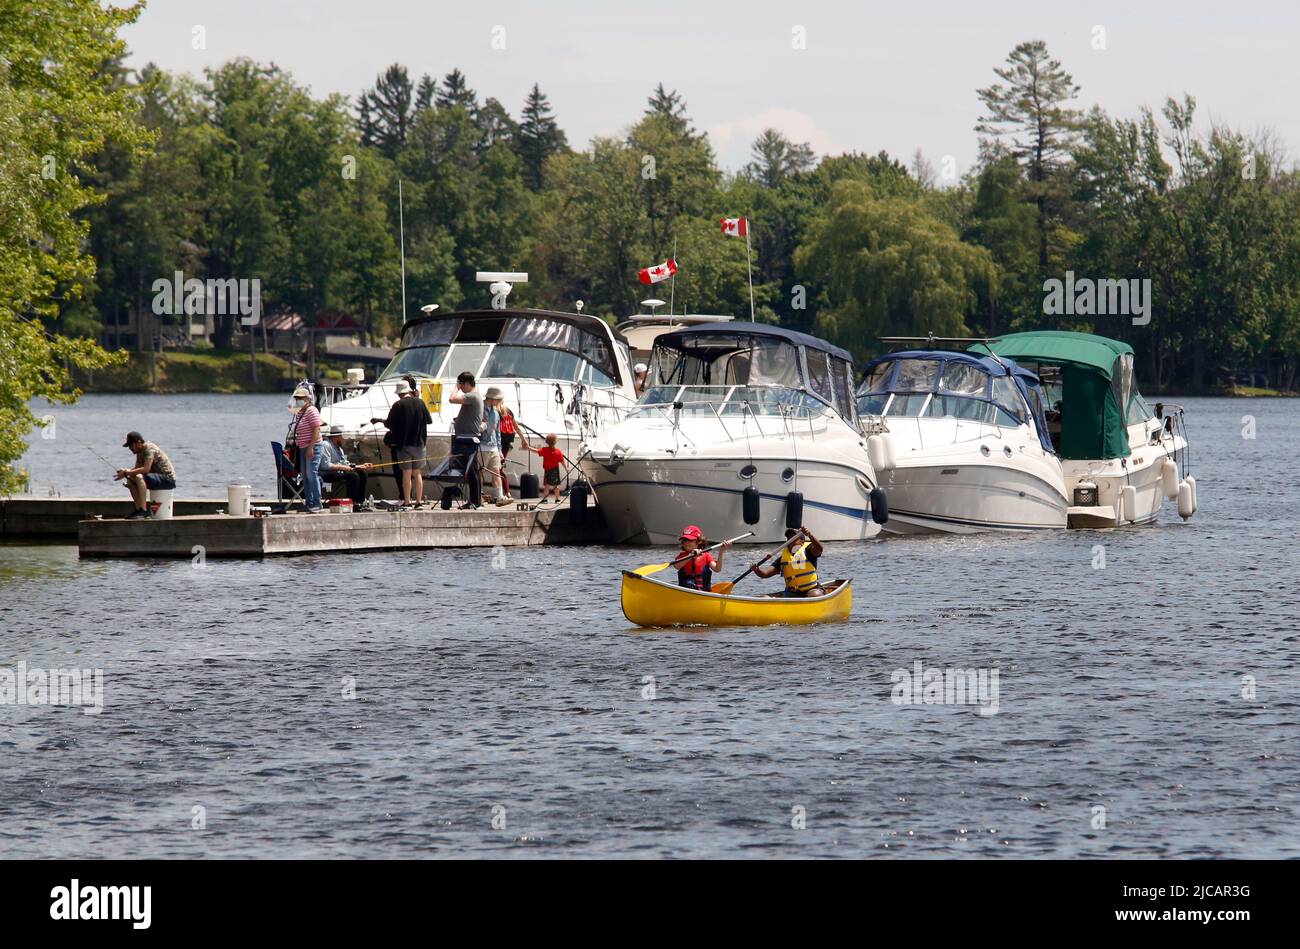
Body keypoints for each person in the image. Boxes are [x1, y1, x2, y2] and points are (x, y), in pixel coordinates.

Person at [371, 378, 432, 506]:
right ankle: (419, 501)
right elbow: (429, 420)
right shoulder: (420, 403)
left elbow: (389, 423)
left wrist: (381, 421)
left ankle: (407, 501)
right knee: (417, 473)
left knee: (406, 473)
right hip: (420, 443)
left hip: (404, 445)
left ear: (399, 393)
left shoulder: (398, 405)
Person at [114, 431, 177, 519]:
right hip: (156, 478)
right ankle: (138, 509)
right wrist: (125, 471)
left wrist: (126, 472)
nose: (130, 448)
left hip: (167, 478)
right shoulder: (139, 453)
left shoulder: (149, 448)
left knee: (139, 477)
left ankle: (143, 510)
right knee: (130, 479)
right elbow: (136, 470)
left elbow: (145, 469)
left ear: (138, 443)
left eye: (131, 445)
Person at [751, 527, 825, 597]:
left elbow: (819, 549)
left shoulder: (809, 551)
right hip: (792, 593)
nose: (790, 539)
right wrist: (757, 569)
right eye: (789, 538)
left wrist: (809, 534)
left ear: (802, 541)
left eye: (794, 537)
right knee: (764, 598)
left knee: (814, 594)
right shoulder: (783, 558)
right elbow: (766, 573)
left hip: (811, 589)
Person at [447, 370, 484, 509]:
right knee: (470, 470)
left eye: (461, 385)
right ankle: (474, 501)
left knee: (471, 470)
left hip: (468, 439)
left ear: (467, 383)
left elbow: (451, 399)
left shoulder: (472, 396)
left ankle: (475, 502)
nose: (460, 387)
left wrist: (455, 388)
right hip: (466, 438)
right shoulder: (474, 397)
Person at [318, 424, 373, 505]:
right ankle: (351, 502)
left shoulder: (340, 449)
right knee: (353, 476)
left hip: (338, 472)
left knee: (362, 473)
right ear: (337, 437)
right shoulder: (325, 445)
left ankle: (359, 501)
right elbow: (325, 465)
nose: (345, 440)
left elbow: (346, 463)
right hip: (327, 474)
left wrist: (360, 466)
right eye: (343, 437)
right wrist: (344, 468)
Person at [290, 386, 324, 513]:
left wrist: (311, 447)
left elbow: (316, 429)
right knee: (305, 475)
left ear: (307, 399)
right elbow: (289, 406)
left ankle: (317, 503)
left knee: (312, 474)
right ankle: (309, 503)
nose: (298, 400)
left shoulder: (312, 410)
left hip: (312, 447)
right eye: (296, 398)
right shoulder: (299, 411)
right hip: (303, 447)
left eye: (300, 398)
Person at [670, 524, 731, 591]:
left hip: (704, 591)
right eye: (684, 540)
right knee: (688, 583)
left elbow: (717, 569)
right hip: (686, 591)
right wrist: (690, 555)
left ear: (698, 541)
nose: (686, 543)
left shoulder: (706, 555)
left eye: (690, 540)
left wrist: (721, 551)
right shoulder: (682, 556)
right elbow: (676, 566)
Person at [480, 387, 511, 506]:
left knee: (496, 471)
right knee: (480, 472)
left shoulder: (496, 413)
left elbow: (497, 432)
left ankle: (499, 497)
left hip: (493, 447)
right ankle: (478, 495)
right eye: (498, 400)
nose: (499, 402)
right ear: (492, 399)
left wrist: (499, 449)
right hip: (481, 446)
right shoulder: (480, 409)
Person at [524, 433, 565, 504]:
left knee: (547, 486)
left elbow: (536, 451)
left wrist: (528, 447)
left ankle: (545, 499)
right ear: (555, 442)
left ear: (547, 442)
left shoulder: (545, 450)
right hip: (555, 470)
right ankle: (557, 499)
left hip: (547, 470)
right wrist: (566, 468)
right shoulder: (558, 451)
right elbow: (562, 461)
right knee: (556, 486)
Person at [498, 400, 526, 501]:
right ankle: (507, 493)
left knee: (497, 469)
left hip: (497, 443)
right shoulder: (509, 412)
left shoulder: (496, 412)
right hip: (506, 443)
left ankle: (504, 493)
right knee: (500, 469)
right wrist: (523, 440)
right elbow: (517, 428)